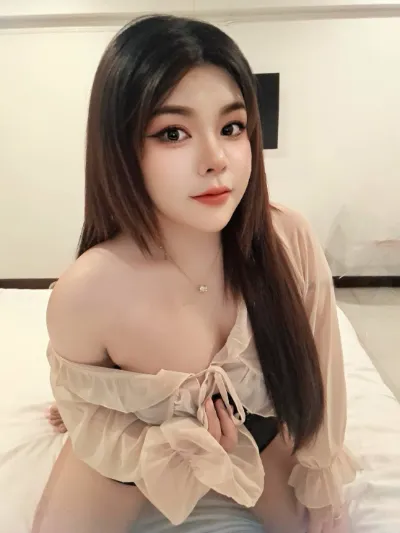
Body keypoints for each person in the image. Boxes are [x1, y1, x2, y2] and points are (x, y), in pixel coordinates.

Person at [32, 14, 360, 533]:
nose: (215, 159)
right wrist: (173, 443)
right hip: (138, 442)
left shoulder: (287, 238)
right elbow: (89, 412)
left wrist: (319, 471)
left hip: (256, 430)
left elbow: (320, 373)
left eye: (232, 128)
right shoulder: (88, 290)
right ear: (120, 148)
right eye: (173, 133)